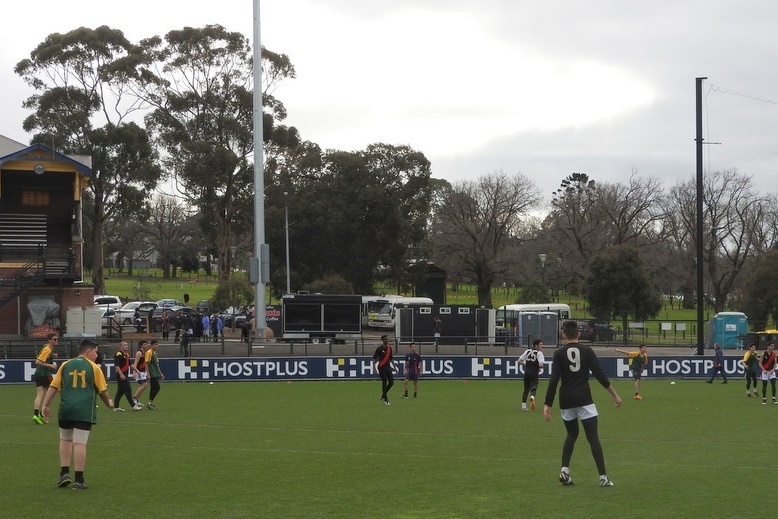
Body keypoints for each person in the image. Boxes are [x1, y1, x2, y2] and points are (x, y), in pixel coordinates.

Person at [543, 320, 622, 488]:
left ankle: (564, 471)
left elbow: (554, 379)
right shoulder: (587, 351)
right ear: (578, 333)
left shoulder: (558, 354)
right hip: (584, 399)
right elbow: (599, 374)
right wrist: (615, 396)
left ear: (564, 334)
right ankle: (603, 478)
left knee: (572, 434)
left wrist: (547, 403)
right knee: (593, 438)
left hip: (566, 400)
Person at [41, 338, 114, 490]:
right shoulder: (94, 367)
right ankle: (79, 480)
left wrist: (45, 405)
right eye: (95, 351)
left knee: (65, 440)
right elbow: (102, 391)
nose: (96, 354)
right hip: (84, 410)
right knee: (80, 442)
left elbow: (53, 386)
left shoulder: (66, 365)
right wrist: (109, 403)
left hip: (66, 408)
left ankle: (64, 474)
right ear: (88, 351)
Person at [33, 332, 59, 424]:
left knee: (40, 394)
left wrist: (53, 356)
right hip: (44, 375)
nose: (56, 341)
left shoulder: (47, 348)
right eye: (54, 339)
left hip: (38, 374)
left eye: (57, 339)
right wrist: (51, 366)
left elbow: (41, 356)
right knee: (51, 395)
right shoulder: (47, 349)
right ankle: (43, 413)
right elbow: (38, 361)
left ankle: (36, 415)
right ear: (49, 340)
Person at [113, 342, 142, 411]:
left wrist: (137, 370)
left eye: (127, 345)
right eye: (125, 345)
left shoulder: (127, 355)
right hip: (121, 375)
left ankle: (116, 407)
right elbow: (117, 366)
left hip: (124, 375)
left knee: (120, 392)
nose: (127, 346)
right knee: (128, 390)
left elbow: (130, 364)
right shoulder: (118, 354)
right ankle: (133, 406)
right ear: (121, 347)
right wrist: (121, 374)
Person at [518, 339, 545, 411]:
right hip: (534, 373)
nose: (542, 346)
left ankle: (523, 406)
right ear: (536, 345)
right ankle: (532, 397)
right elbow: (541, 365)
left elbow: (519, 361)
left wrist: (526, 364)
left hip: (526, 373)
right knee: (534, 387)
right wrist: (538, 367)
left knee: (526, 389)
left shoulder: (527, 351)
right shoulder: (539, 353)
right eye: (540, 344)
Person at [373, 335, 395, 405]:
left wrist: (394, 366)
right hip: (382, 368)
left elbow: (391, 358)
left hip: (388, 367)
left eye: (388, 339)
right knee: (384, 382)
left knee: (391, 382)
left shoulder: (389, 348)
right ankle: (386, 399)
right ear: (382, 340)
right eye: (386, 339)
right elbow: (374, 358)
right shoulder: (379, 348)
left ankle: (383, 395)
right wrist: (374, 367)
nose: (387, 340)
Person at [144, 339, 164, 410]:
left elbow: (156, 364)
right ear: (152, 345)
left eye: (157, 344)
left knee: (153, 388)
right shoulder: (149, 352)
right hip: (152, 373)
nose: (156, 346)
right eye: (155, 344)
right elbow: (146, 363)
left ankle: (150, 403)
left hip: (155, 373)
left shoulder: (154, 353)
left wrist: (160, 373)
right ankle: (150, 402)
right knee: (157, 388)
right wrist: (148, 373)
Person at [132, 340, 149, 407]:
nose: (146, 346)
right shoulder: (139, 353)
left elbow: (146, 363)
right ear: (141, 345)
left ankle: (137, 401)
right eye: (145, 344)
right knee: (144, 385)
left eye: (146, 344)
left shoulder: (145, 353)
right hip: (139, 371)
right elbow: (135, 362)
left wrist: (147, 372)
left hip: (143, 371)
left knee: (142, 386)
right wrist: (134, 371)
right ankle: (134, 398)